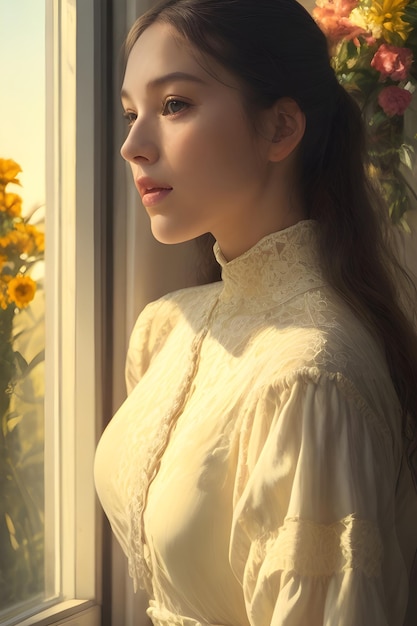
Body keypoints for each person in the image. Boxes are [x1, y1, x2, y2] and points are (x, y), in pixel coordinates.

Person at [94, 0, 417, 624]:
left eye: (174, 105)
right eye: (131, 113)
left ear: (280, 128)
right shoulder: (166, 329)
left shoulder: (311, 378)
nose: (133, 145)